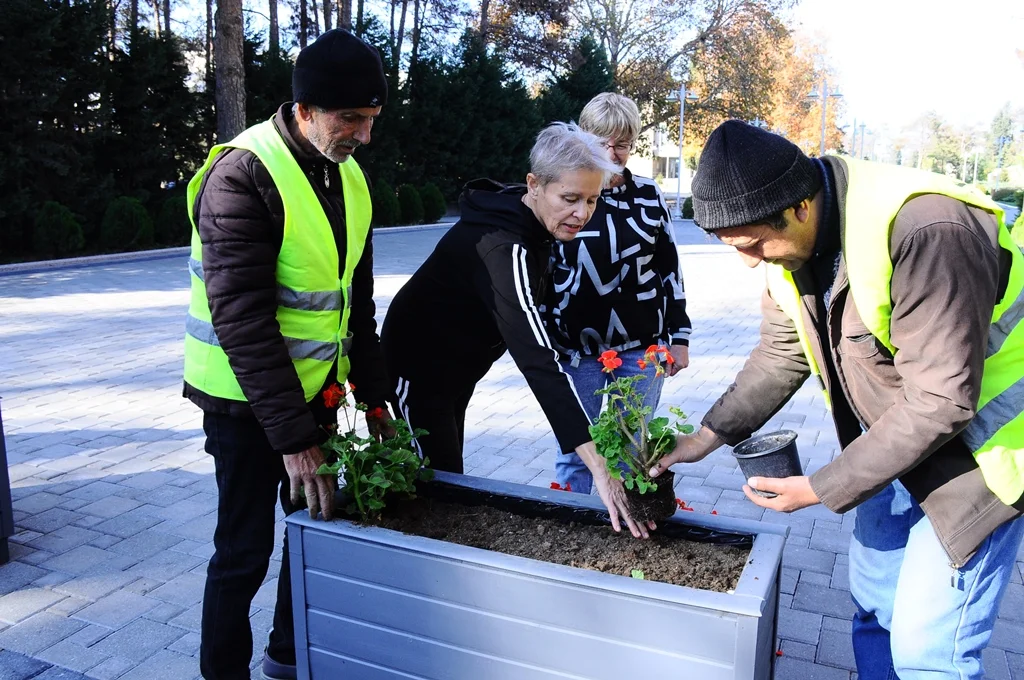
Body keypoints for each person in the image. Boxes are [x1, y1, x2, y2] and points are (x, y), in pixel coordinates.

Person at [652, 120, 1024, 679]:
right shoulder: (792, 249)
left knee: (928, 655)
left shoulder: (927, 229)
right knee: (876, 612)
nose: (749, 261)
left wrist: (820, 488)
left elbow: (943, 400)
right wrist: (703, 438)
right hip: (889, 450)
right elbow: (782, 354)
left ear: (800, 207)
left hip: (977, 463)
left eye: (753, 243)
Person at [182, 29, 394, 680]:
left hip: (315, 398)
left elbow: (357, 304)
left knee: (312, 528)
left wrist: (376, 400)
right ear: (304, 110)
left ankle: (286, 654)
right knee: (243, 553)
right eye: (350, 119)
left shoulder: (347, 177)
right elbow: (242, 318)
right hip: (246, 406)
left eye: (372, 119)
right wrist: (295, 438)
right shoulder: (242, 174)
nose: (363, 134)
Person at [381, 122, 654, 539]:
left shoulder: (531, 223)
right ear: (534, 185)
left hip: (455, 373)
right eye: (570, 198)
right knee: (435, 492)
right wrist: (598, 466)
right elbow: (536, 357)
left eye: (592, 200)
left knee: (447, 486)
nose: (582, 213)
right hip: (417, 374)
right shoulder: (502, 244)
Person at [544, 93, 691, 495]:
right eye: (602, 141)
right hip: (576, 351)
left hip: (641, 349)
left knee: (632, 448)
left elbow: (669, 268)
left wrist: (679, 338)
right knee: (576, 450)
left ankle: (626, 526)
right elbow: (543, 271)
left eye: (622, 143)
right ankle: (572, 527)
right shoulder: (565, 194)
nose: (613, 152)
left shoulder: (647, 195)